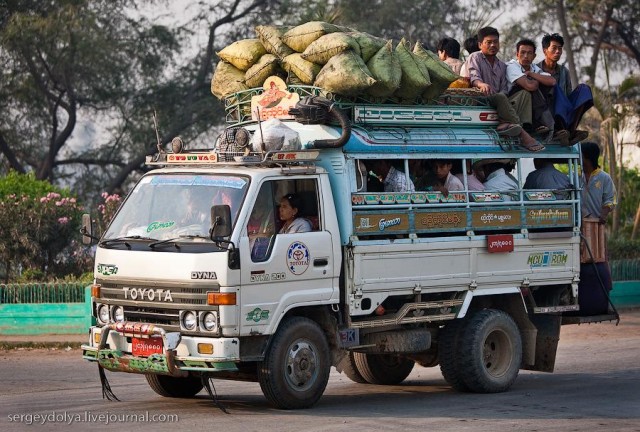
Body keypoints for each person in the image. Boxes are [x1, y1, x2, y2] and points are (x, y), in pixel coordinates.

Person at [467, 27, 545, 152]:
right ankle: (522, 133)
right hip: (481, 99)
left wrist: (502, 97)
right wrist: (481, 84)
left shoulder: (502, 65)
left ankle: (509, 124)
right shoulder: (475, 57)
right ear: (480, 44)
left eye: (495, 42)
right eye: (489, 42)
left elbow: (504, 88)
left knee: (524, 94)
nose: (493, 45)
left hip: (500, 100)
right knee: (500, 97)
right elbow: (473, 77)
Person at [506, 39, 567, 142]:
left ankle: (554, 124)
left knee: (550, 89)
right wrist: (536, 80)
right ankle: (548, 125)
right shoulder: (511, 66)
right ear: (517, 54)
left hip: (532, 105)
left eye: (529, 53)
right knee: (529, 90)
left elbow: (552, 81)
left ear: (534, 56)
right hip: (514, 105)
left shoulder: (534, 68)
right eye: (523, 53)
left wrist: (530, 74)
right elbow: (530, 86)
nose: (526, 56)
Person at [537, 33, 592, 145]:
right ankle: (561, 130)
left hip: (562, 108)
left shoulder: (564, 71)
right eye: (554, 48)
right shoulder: (536, 69)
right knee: (554, 86)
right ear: (545, 50)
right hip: (545, 111)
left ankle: (570, 131)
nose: (557, 51)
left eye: (560, 49)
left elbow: (567, 94)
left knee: (584, 89)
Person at [580, 142, 616, 224]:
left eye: (580, 155)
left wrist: (603, 214)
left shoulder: (604, 177)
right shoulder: (575, 175)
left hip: (596, 223)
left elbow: (611, 199)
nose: (578, 157)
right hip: (577, 224)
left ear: (588, 157)